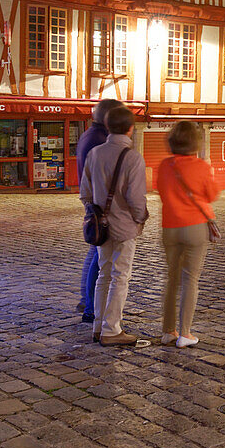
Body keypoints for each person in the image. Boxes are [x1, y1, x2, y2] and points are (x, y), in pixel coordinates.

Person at [79, 104, 148, 346]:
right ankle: (112, 329)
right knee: (121, 277)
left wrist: (96, 214)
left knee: (104, 275)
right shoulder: (133, 157)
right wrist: (140, 219)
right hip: (125, 226)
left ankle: (98, 326)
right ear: (131, 128)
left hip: (102, 227)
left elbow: (85, 193)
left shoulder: (95, 153)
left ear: (107, 126)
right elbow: (136, 198)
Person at [157, 121, 219, 348]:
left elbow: (161, 192)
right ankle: (185, 333)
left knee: (171, 280)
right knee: (190, 279)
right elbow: (212, 195)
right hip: (194, 226)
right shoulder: (201, 166)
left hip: (170, 226)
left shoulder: (165, 166)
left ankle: (167, 331)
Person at [77, 99, 123, 322]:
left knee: (94, 252)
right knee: (100, 258)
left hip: (94, 203)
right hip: (101, 206)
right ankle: (91, 308)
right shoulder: (99, 140)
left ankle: (87, 300)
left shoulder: (89, 135)